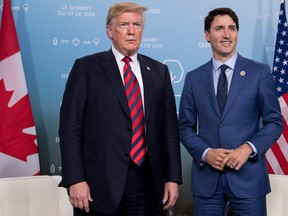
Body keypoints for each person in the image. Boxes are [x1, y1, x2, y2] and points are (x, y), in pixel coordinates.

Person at [59, 2, 182, 216]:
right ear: (109, 31)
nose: (132, 31)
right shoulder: (86, 68)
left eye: (137, 25)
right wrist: (76, 179)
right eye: (124, 25)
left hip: (147, 181)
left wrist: (172, 178)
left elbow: (169, 131)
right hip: (98, 183)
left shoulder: (159, 72)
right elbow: (70, 129)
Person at [179, 7, 283, 216]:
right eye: (219, 29)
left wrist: (248, 148)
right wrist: (206, 153)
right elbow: (184, 127)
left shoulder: (259, 73)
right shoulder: (193, 77)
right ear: (207, 35)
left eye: (232, 28)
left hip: (248, 179)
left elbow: (274, 122)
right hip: (207, 182)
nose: (226, 35)